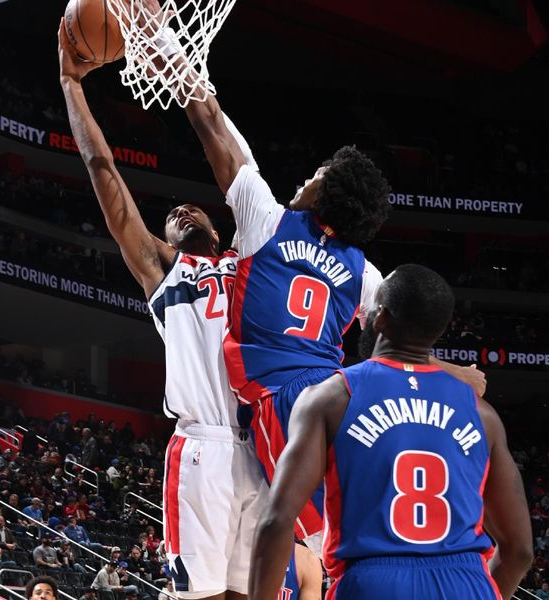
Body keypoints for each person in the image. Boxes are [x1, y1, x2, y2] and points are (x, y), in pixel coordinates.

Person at [151, 17, 487, 549]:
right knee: (352, 537)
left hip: (286, 401)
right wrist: (452, 374)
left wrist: (164, 44)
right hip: (343, 396)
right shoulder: (362, 271)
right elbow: (403, 341)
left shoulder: (265, 220)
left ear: (326, 194)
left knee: (312, 553)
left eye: (318, 175)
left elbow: (210, 126)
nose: (307, 177)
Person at [59, 20, 265, 600]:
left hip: (265, 444)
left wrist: (180, 66)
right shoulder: (165, 271)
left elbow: (230, 150)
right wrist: (72, 84)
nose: (180, 210)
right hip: (204, 445)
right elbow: (105, 176)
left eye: (193, 209)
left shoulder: (252, 258)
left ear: (222, 231)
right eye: (172, 217)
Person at [249, 265, 533, 600]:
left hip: (373, 582)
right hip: (467, 582)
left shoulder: (332, 397)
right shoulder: (482, 414)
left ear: (380, 318)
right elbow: (520, 551)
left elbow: (276, 521)